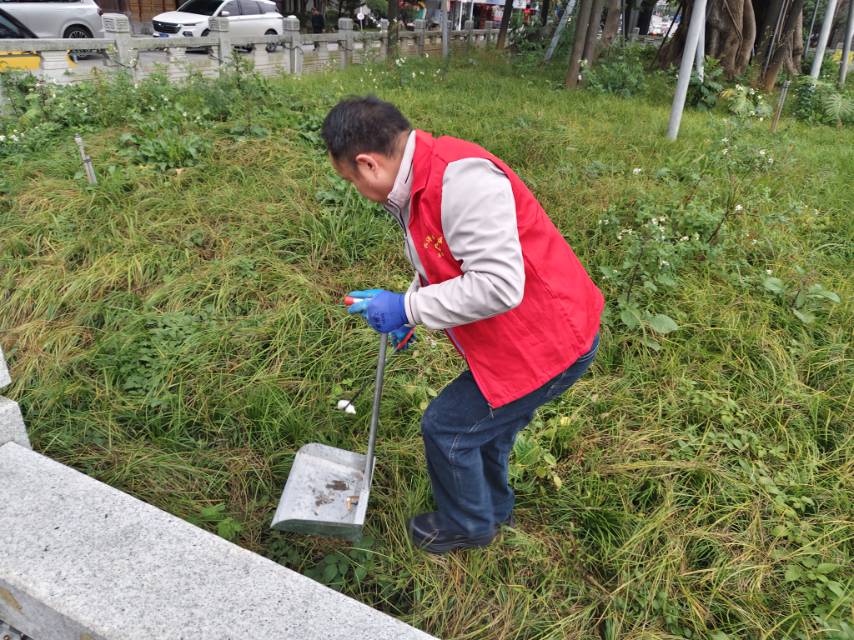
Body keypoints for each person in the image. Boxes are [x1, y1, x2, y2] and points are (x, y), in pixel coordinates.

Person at [321, 97, 604, 554]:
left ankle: (469, 527)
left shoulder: (463, 182)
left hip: (552, 340)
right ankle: (494, 510)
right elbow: (446, 256)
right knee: (486, 430)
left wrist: (409, 308)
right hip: (524, 334)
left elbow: (498, 285)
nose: (356, 189)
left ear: (368, 163)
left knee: (448, 429)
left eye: (351, 180)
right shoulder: (420, 177)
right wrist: (410, 303)